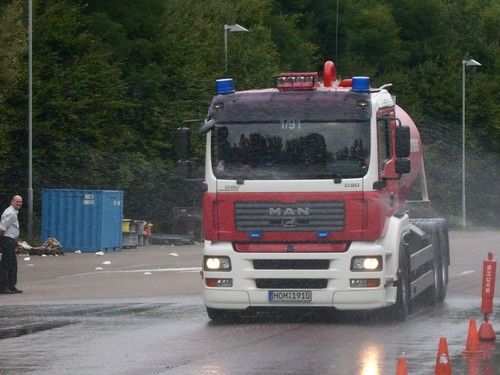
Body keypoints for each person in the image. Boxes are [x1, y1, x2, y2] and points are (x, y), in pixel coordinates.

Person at [0, 195, 23, 294]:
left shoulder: (13, 212)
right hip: (7, 240)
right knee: (6, 264)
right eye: (17, 201)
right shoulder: (10, 213)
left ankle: (11, 285)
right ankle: (3, 287)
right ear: (12, 201)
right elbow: (2, 228)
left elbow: (11, 229)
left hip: (11, 240)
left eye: (20, 202)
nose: (19, 204)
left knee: (13, 264)